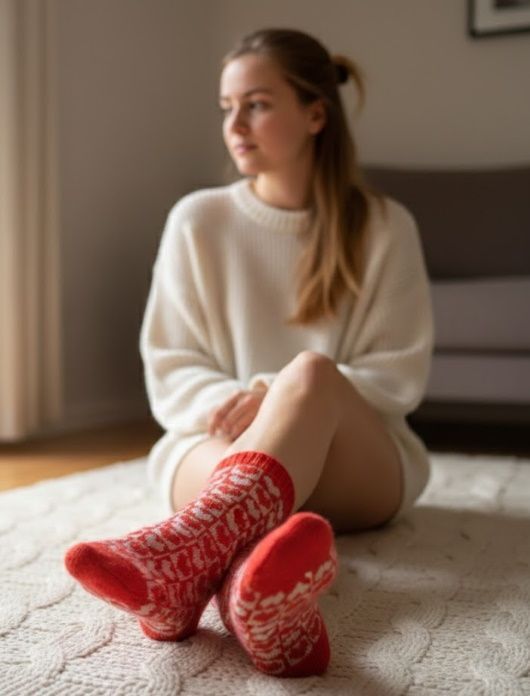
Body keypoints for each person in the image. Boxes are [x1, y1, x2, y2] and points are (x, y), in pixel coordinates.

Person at [64, 28, 434, 678]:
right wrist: (242, 409)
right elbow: (172, 363)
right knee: (245, 493)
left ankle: (177, 563)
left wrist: (276, 394)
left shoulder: (385, 225)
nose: (234, 125)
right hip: (217, 438)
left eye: (257, 104)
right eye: (226, 107)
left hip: (357, 463)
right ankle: (250, 594)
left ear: (315, 113)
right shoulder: (197, 220)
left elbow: (397, 374)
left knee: (310, 372)